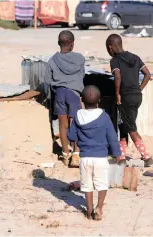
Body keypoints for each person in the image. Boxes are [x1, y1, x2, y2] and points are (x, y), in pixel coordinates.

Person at [68, 85, 121, 220]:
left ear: (82, 100)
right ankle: (99, 208)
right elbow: (112, 137)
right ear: (100, 100)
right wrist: (117, 153)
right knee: (102, 184)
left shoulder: (77, 116)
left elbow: (71, 137)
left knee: (87, 185)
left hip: (85, 158)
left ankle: (89, 211)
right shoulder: (104, 117)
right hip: (101, 158)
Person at [105, 34, 153, 167]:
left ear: (111, 47)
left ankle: (146, 157)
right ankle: (121, 157)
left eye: (108, 49)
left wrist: (117, 94)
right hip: (137, 96)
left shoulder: (115, 60)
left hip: (125, 97)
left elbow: (118, 76)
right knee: (124, 125)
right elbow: (147, 74)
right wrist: (139, 89)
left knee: (130, 127)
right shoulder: (135, 57)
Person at [44, 30, 85, 167]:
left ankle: (65, 153)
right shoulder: (79, 59)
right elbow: (82, 76)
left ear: (58, 43)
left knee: (63, 124)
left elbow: (47, 81)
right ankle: (76, 155)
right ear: (72, 45)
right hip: (74, 94)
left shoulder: (52, 60)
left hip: (60, 93)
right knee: (76, 124)